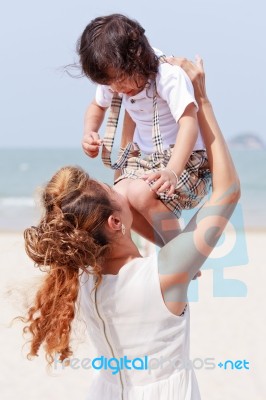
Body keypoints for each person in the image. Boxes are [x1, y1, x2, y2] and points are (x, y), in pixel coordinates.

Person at [21, 57, 240, 400]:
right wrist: (202, 100)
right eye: (113, 189)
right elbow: (227, 191)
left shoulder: (81, 279)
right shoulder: (164, 273)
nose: (124, 182)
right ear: (115, 222)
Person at [79, 14, 211, 245]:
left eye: (121, 80)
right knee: (116, 200)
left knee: (140, 194)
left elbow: (189, 122)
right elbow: (96, 106)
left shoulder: (167, 76)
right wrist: (90, 132)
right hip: (145, 160)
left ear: (137, 58)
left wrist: (172, 170)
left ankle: (178, 248)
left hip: (186, 160)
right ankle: (169, 247)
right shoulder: (114, 78)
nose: (117, 88)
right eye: (110, 83)